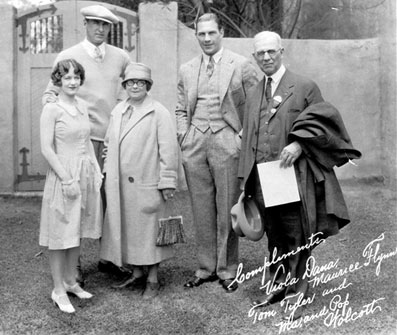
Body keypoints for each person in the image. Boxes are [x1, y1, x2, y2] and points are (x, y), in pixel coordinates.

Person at [238, 31, 361, 320]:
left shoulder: (304, 86)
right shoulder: (255, 92)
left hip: (290, 175)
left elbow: (325, 124)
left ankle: (297, 293)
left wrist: (299, 143)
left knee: (297, 235)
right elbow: (248, 140)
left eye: (271, 51)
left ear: (282, 51)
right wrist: (244, 182)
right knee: (274, 234)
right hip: (262, 176)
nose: (266, 57)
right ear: (254, 57)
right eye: (260, 53)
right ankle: (279, 284)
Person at [42, 4, 133, 278]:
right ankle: (75, 265)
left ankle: (110, 259)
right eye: (94, 23)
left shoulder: (120, 57)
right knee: (76, 203)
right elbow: (50, 95)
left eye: (105, 25)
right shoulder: (68, 56)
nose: (99, 29)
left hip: (112, 142)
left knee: (111, 201)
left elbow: (129, 91)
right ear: (85, 24)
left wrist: (120, 118)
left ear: (110, 28)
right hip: (80, 144)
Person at [175, 13, 258, 292]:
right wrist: (184, 136)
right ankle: (205, 268)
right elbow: (178, 108)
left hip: (227, 141)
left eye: (212, 33)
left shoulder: (241, 65)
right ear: (196, 36)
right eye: (202, 34)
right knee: (201, 209)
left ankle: (226, 269)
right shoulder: (187, 69)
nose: (207, 39)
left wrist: (241, 138)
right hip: (195, 142)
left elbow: (256, 106)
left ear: (221, 32)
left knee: (226, 208)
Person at [99, 63, 181, 299]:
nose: (135, 86)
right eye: (131, 82)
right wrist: (108, 171)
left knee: (149, 231)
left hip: (147, 182)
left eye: (141, 82)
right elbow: (107, 145)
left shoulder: (158, 112)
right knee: (129, 230)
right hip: (121, 185)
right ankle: (136, 272)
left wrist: (167, 181)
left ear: (148, 86)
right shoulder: (118, 111)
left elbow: (168, 150)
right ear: (125, 85)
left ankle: (153, 279)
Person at [39, 59, 103, 313]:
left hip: (84, 171)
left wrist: (96, 170)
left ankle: (69, 281)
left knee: (75, 231)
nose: (73, 82)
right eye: (67, 78)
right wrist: (66, 179)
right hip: (63, 175)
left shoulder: (82, 106)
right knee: (59, 235)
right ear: (58, 80)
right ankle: (57, 289)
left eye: (76, 77)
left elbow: (87, 142)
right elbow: (46, 148)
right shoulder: (52, 109)